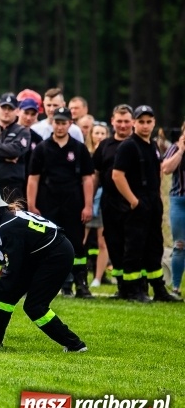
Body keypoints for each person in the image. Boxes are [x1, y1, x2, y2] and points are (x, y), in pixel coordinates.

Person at [0, 181, 89, 352]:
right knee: (6, 295)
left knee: (35, 307)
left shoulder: (8, 227)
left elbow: (12, 271)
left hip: (56, 256)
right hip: (37, 255)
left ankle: (75, 345)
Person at [112, 106, 181, 302]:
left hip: (153, 202)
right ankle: (133, 289)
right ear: (134, 122)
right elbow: (117, 175)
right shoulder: (128, 146)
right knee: (134, 247)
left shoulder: (152, 145)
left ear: (154, 123)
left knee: (154, 246)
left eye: (148, 122)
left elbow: (157, 171)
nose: (145, 125)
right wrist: (133, 201)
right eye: (141, 121)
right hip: (137, 202)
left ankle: (158, 288)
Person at [26, 107, 95, 299]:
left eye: (64, 123)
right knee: (46, 243)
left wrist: (88, 206)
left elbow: (87, 179)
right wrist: (31, 206)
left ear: (70, 124)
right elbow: (33, 179)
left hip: (73, 202)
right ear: (52, 123)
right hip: (47, 202)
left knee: (77, 244)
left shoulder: (79, 148)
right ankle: (46, 284)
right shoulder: (42, 148)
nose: (60, 126)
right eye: (57, 122)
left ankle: (80, 283)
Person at [92, 104, 134, 298]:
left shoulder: (138, 144)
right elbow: (95, 175)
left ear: (132, 122)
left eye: (126, 121)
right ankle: (121, 286)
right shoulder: (104, 146)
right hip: (109, 202)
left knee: (133, 244)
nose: (123, 125)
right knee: (113, 243)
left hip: (133, 202)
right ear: (112, 121)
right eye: (119, 121)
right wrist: (89, 200)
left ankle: (136, 286)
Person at [162, 120, 185, 295]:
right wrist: (181, 150)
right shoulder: (175, 148)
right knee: (179, 244)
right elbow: (166, 169)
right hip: (179, 199)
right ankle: (176, 287)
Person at [86, 121, 111, 288]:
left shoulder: (109, 152)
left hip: (103, 200)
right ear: (91, 135)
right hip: (88, 200)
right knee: (81, 240)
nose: (100, 136)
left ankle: (98, 277)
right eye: (97, 133)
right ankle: (75, 275)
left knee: (103, 242)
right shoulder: (85, 153)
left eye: (103, 133)